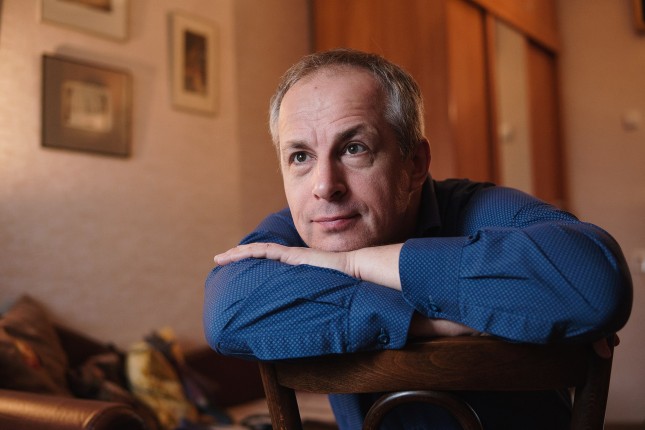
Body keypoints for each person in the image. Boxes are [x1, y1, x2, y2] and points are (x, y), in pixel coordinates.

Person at [203, 49, 632, 429]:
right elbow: (227, 311)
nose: (324, 186)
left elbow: (594, 282)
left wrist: (354, 265)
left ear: (415, 163)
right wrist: (438, 321)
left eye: (354, 148)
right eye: (300, 156)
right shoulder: (304, 226)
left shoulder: (479, 209)